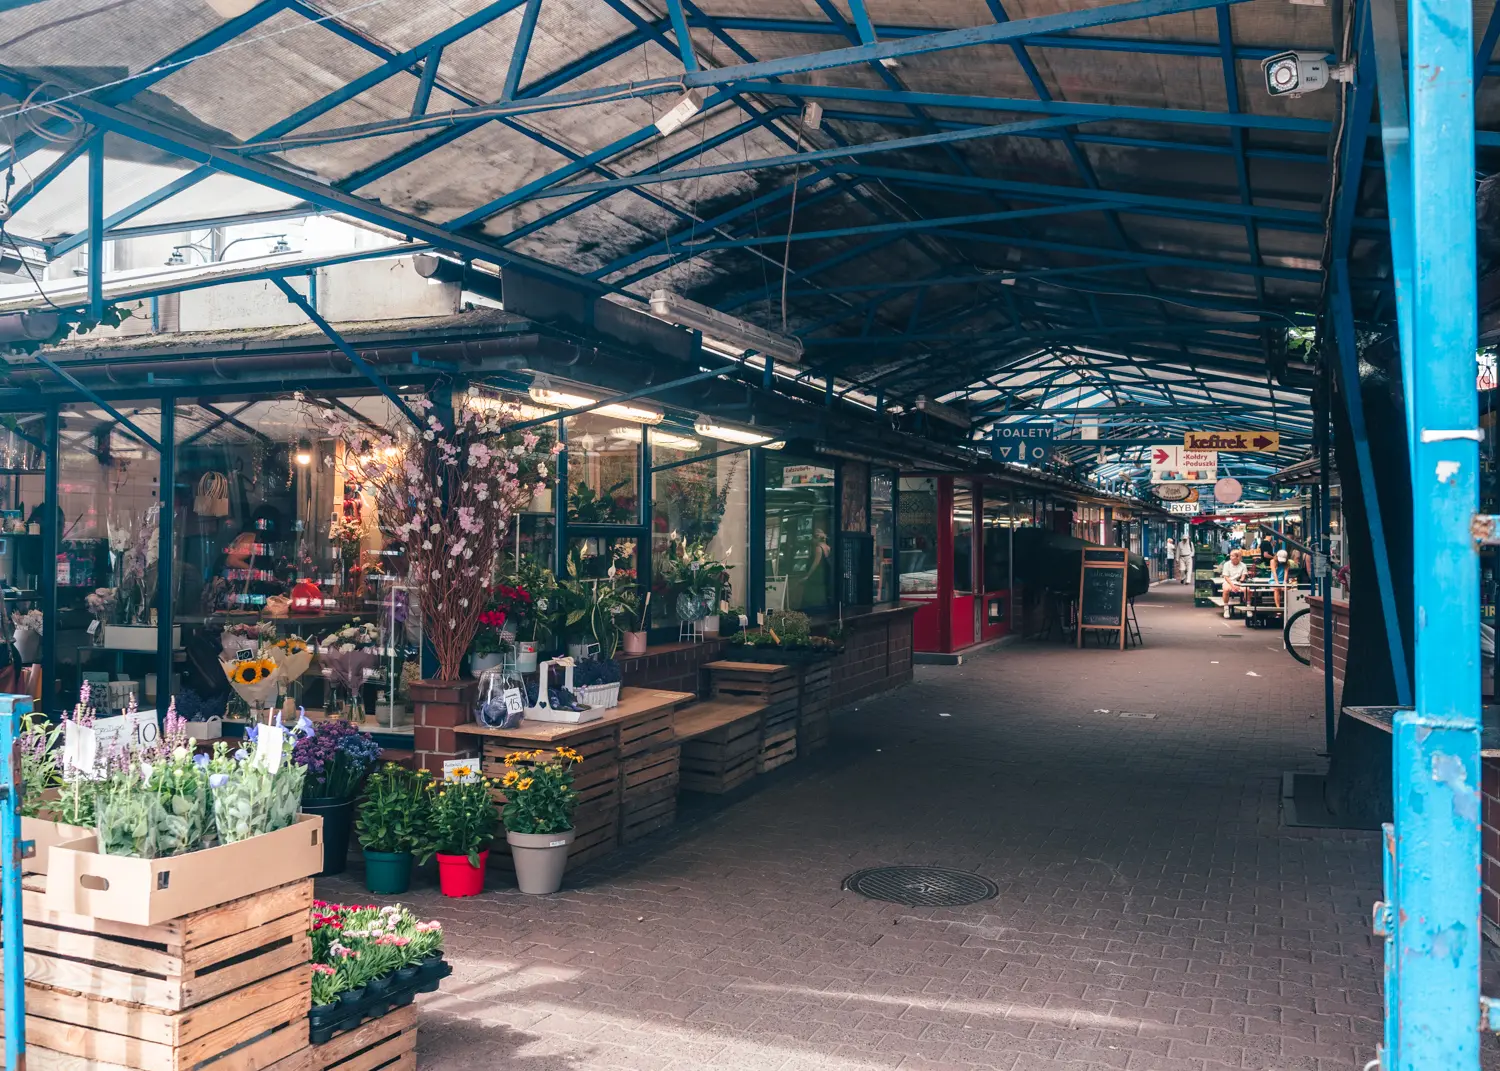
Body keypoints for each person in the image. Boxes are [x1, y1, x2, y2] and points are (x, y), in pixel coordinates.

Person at [1220, 548, 1249, 619]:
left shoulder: (1243, 565)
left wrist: (1239, 584)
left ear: (1238, 557)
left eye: (1232, 556)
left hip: (1238, 582)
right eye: (1230, 556)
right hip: (1228, 582)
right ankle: (1226, 608)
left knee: (1247, 590)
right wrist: (1233, 586)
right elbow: (1226, 577)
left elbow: (1243, 577)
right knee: (1226, 590)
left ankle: (1248, 606)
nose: (1230, 557)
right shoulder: (1227, 564)